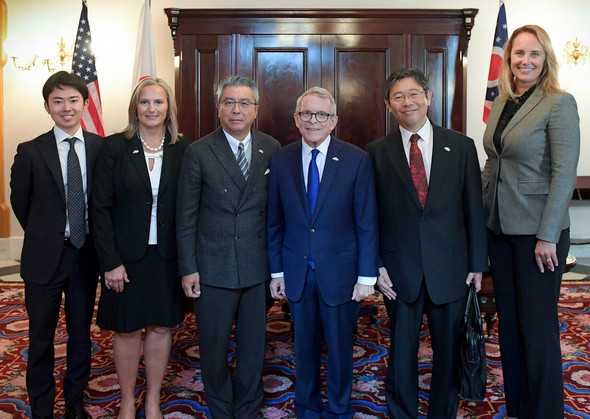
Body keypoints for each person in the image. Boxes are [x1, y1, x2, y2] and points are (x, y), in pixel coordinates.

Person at [365, 68, 488, 418]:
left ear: (429, 97)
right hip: (398, 271)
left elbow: (473, 211)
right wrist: (376, 265)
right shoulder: (375, 152)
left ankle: (441, 413)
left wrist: (477, 263)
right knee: (402, 351)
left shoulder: (461, 146)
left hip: (450, 268)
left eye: (414, 93)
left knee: (447, 352)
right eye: (399, 96)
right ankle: (402, 411)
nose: (408, 101)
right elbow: (368, 215)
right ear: (389, 104)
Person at [482, 25, 580, 419]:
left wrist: (548, 235)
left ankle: (546, 411)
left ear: (546, 59)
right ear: (509, 60)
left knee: (537, 330)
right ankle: (520, 407)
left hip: (539, 235)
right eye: (518, 54)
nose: (525, 61)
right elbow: (494, 161)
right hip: (500, 230)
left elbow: (564, 173)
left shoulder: (559, 102)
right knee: (510, 327)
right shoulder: (505, 100)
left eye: (534, 54)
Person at [268, 86, 379, 418]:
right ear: (296, 120)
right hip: (297, 273)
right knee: (303, 349)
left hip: (342, 275)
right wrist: (276, 272)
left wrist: (366, 277)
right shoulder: (281, 159)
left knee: (341, 350)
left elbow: (366, 221)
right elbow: (274, 222)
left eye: (321, 115)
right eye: (306, 114)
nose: (312, 121)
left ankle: (340, 410)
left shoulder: (357, 159)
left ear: (333, 121)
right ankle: (307, 409)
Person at [176, 75, 280, 419]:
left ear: (256, 110)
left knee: (253, 349)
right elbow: (186, 216)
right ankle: (221, 409)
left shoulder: (271, 147)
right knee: (213, 348)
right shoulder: (199, 151)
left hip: (256, 266)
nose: (236, 110)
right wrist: (188, 267)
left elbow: (278, 214)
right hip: (212, 268)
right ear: (218, 108)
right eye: (229, 103)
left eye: (244, 103)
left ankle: (248, 409)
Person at [91, 77, 190, 419]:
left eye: (158, 102)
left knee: (162, 327)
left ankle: (153, 400)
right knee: (128, 329)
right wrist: (110, 262)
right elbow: (99, 208)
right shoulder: (115, 147)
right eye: (145, 102)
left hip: (166, 257)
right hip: (125, 259)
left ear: (168, 108)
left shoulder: (183, 149)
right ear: (135, 107)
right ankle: (129, 400)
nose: (151, 109)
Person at [10, 71, 102, 419]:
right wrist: (48, 234)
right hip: (43, 259)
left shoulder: (100, 148)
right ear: (47, 106)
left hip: (84, 257)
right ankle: (43, 410)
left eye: (73, 100)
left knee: (80, 337)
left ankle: (75, 404)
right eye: (58, 101)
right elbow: (21, 204)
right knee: (40, 340)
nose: (66, 107)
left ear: (85, 103)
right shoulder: (30, 151)